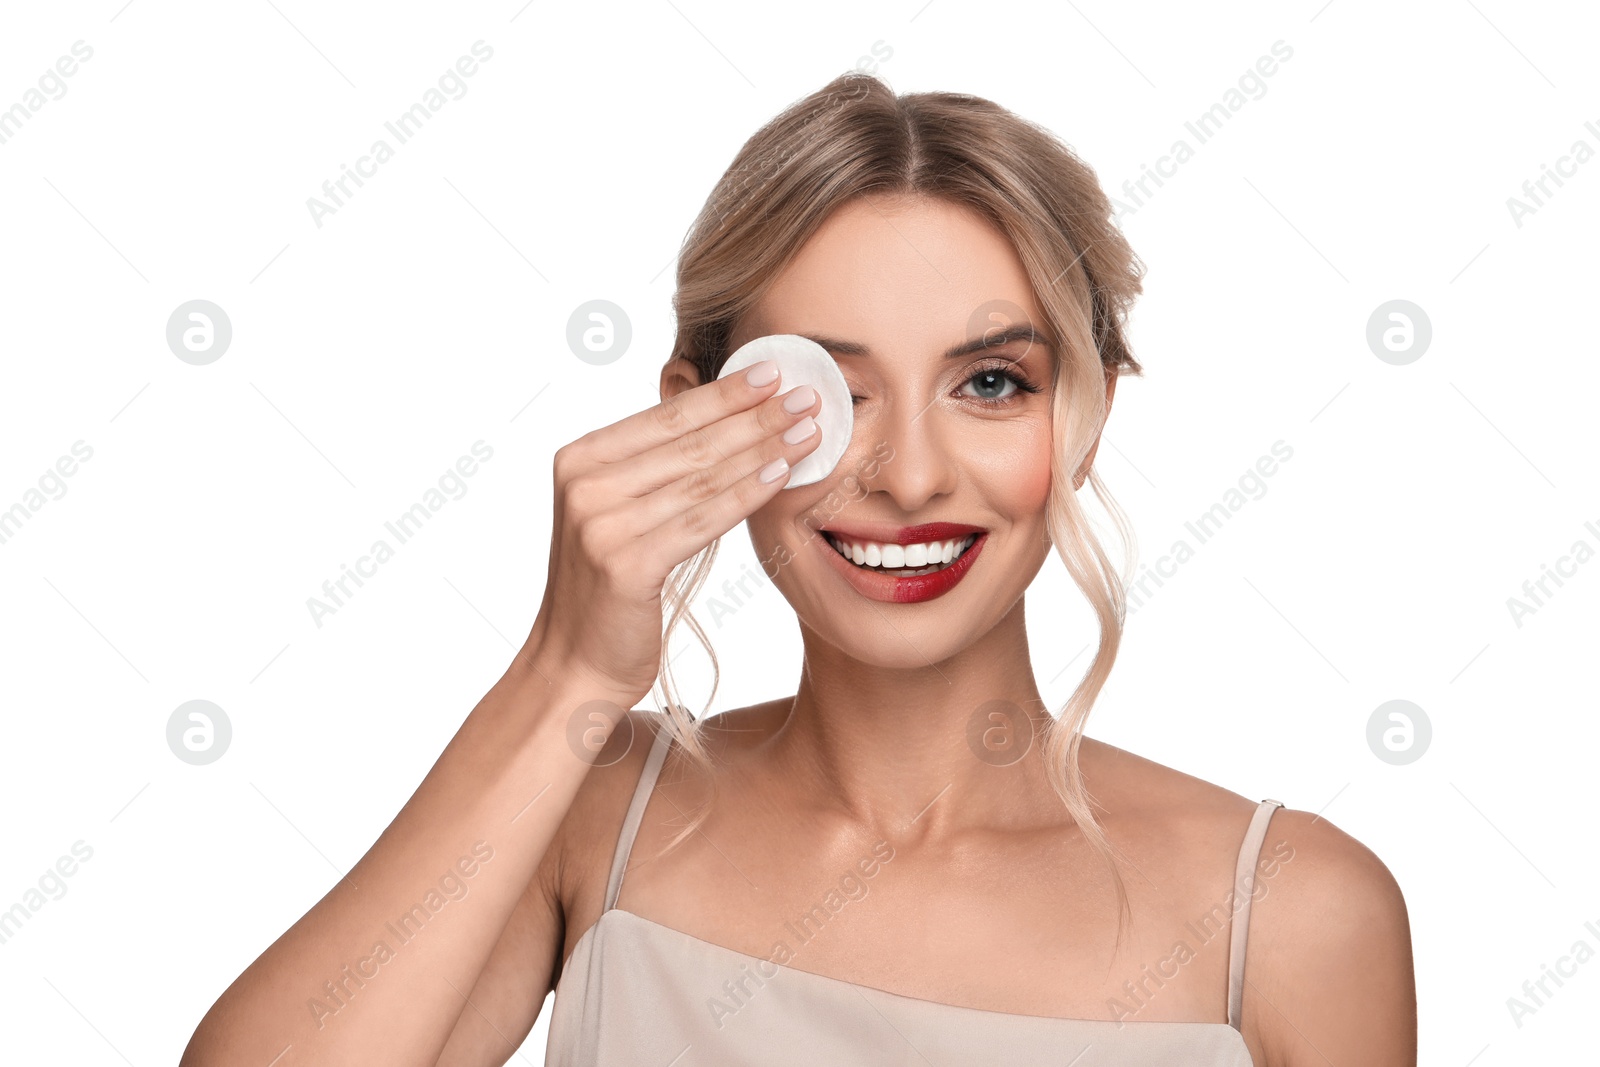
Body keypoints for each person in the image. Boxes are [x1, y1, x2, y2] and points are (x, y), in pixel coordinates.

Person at [181, 72, 1416, 1066]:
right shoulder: (592, 817)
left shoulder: (1293, 912)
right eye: (827, 391)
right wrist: (567, 671)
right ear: (694, 420)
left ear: (1083, 421)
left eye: (991, 382)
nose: (913, 476)